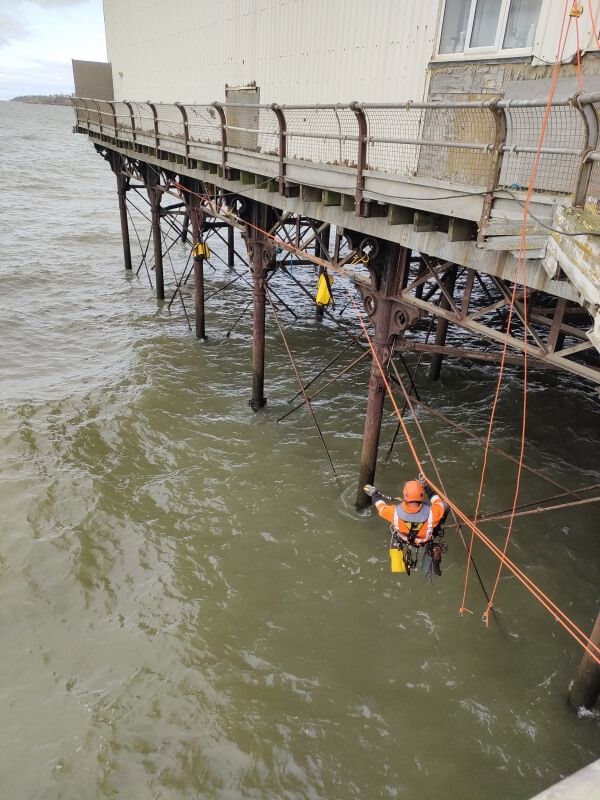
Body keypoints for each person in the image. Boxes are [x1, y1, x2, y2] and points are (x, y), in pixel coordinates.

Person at [364, 476, 448, 579]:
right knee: (445, 505)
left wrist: (374, 494)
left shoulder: (394, 512)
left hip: (404, 539)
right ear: (421, 495)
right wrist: (426, 487)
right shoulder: (433, 513)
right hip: (425, 541)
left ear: (405, 494)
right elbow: (438, 502)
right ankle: (438, 527)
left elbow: (381, 507)